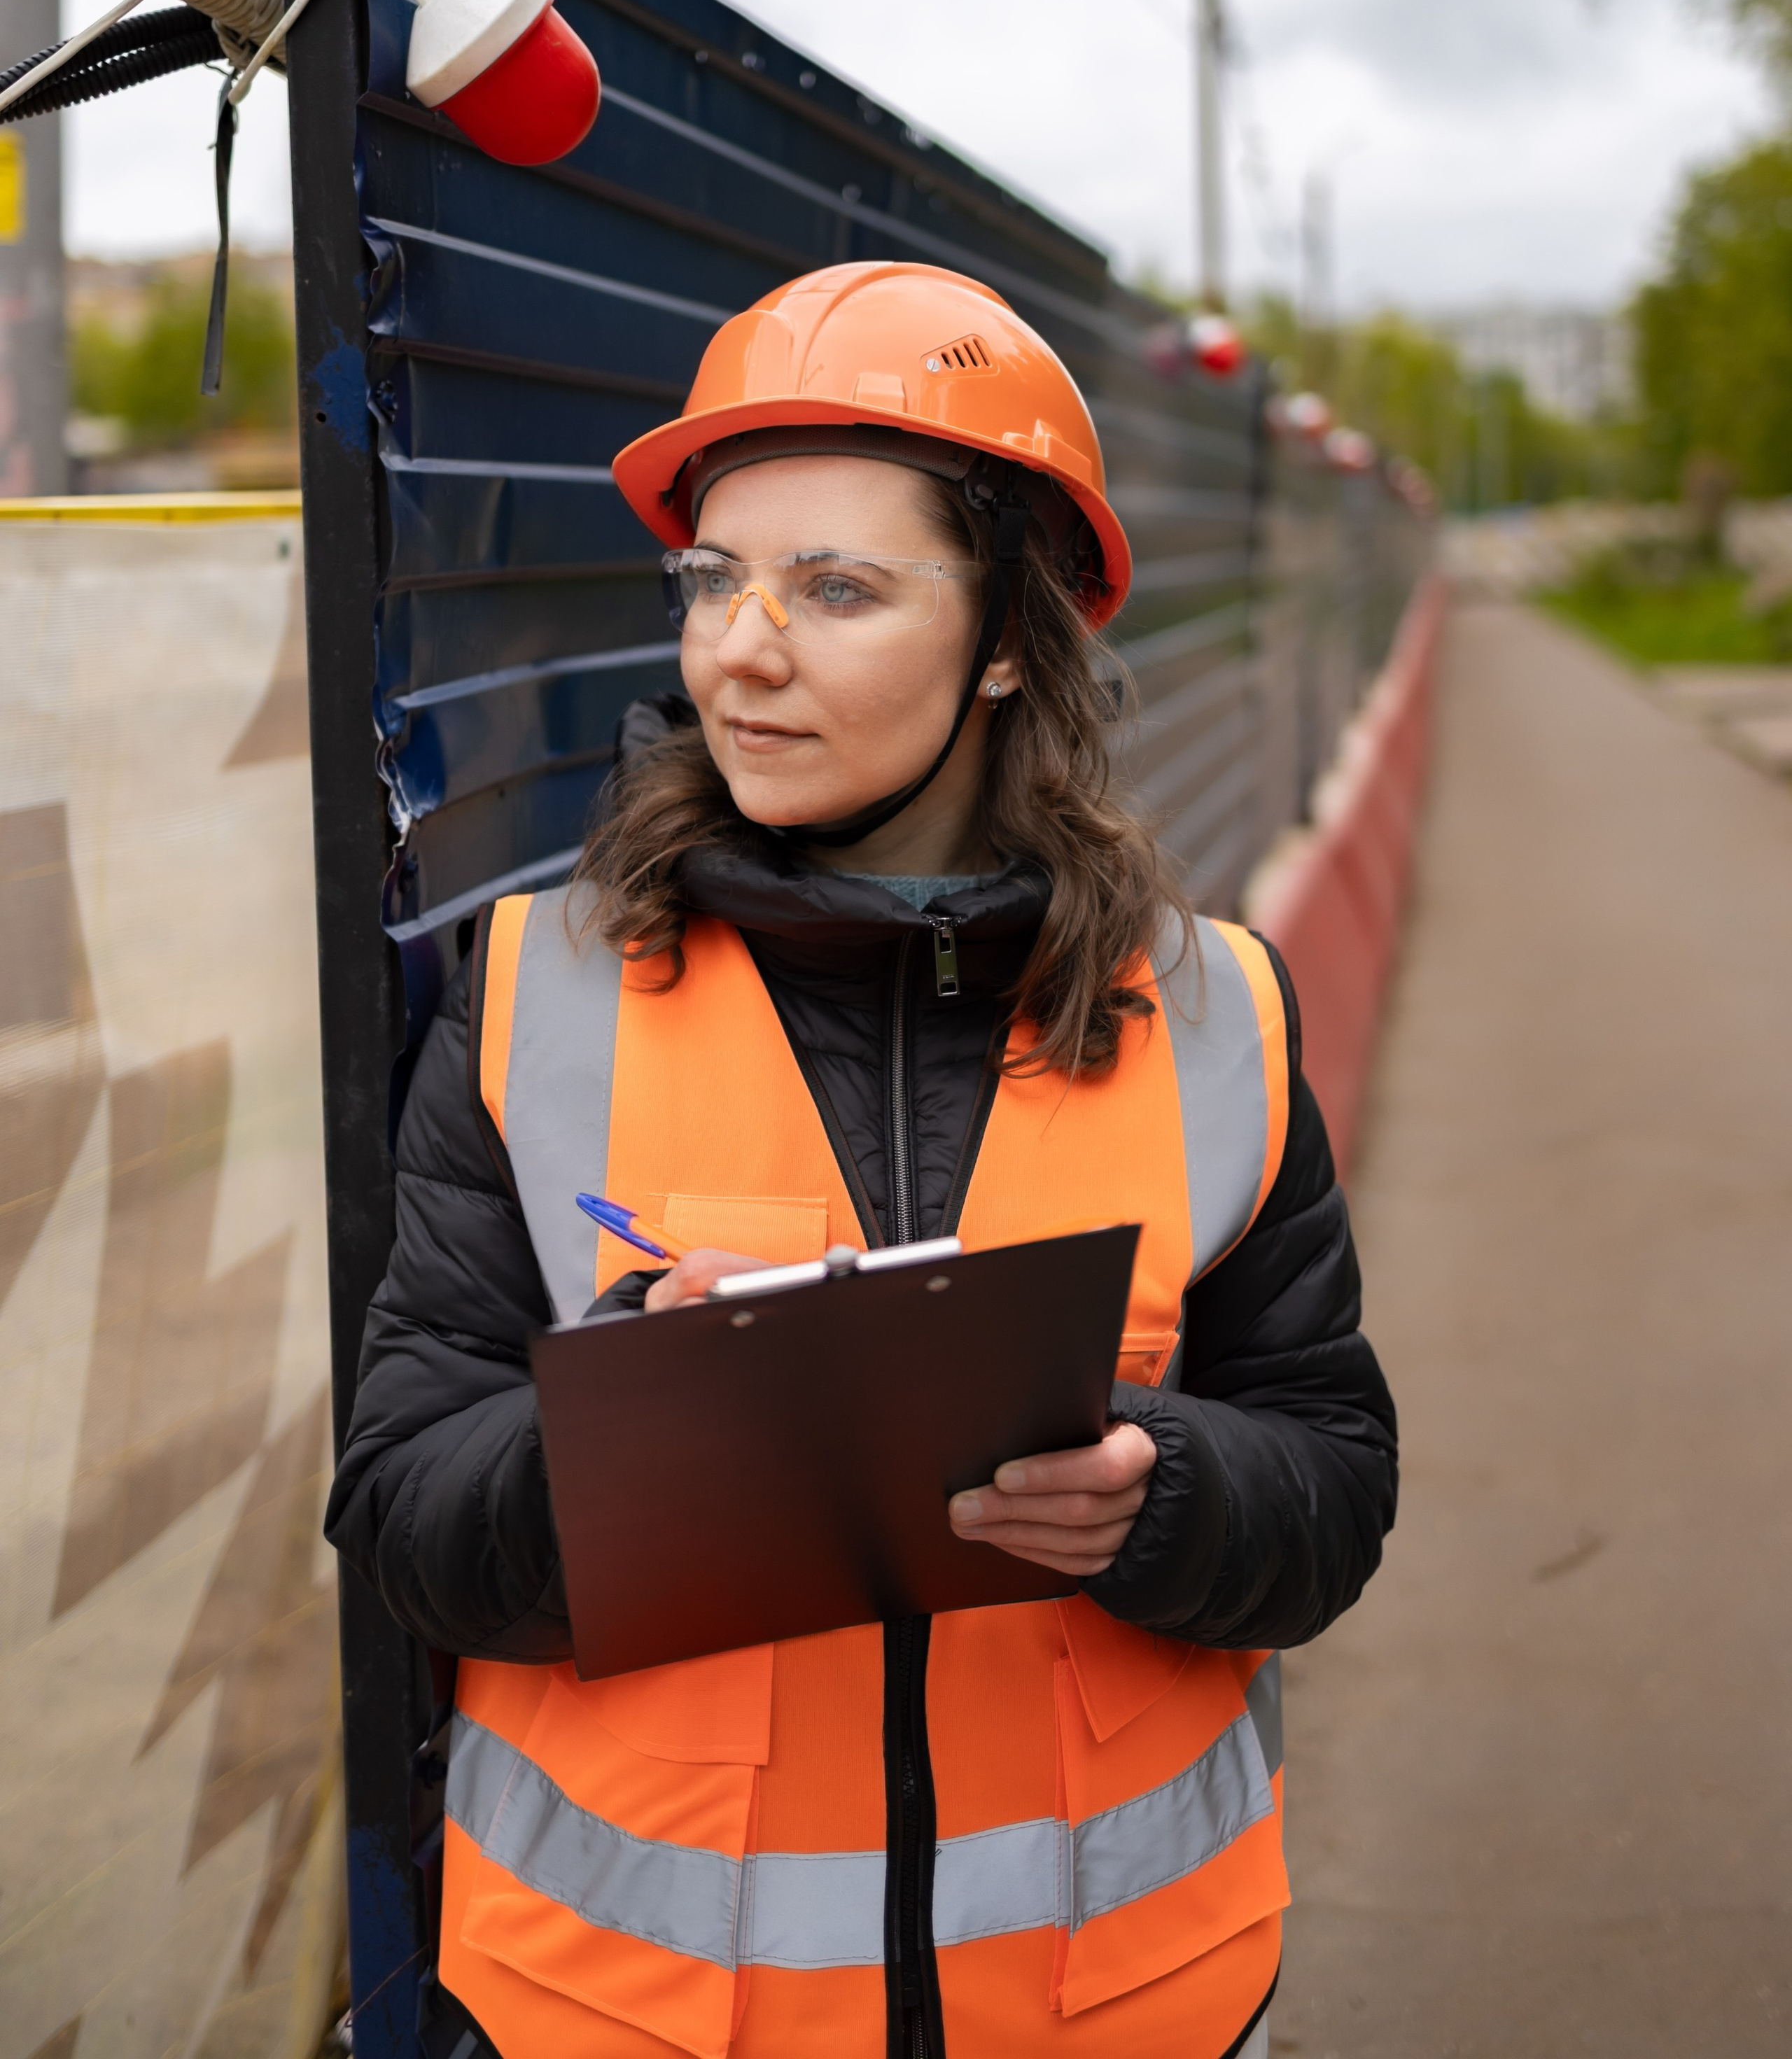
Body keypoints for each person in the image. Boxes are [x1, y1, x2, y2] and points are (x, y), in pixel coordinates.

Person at [327, 258, 1396, 2059]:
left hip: (1115, 2013)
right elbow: (402, 1515)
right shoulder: (536, 1007)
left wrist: (1162, 1495)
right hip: (637, 2023)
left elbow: (1333, 1481)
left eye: (833, 589)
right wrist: (643, 1416)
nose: (739, 649)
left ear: (1001, 638)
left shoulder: (1219, 1020)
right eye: (711, 580)